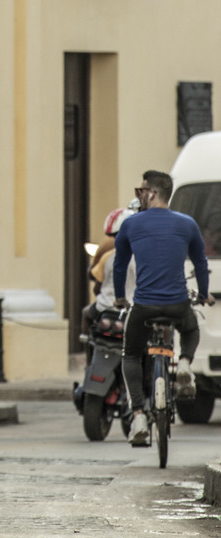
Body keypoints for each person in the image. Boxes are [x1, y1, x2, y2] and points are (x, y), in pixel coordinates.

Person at [113, 170, 215, 446]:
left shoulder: (131, 225)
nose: (139, 196)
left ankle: (138, 417)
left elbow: (119, 264)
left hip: (144, 306)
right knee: (191, 330)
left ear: (152, 193)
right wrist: (204, 293)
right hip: (177, 304)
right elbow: (200, 262)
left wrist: (121, 297)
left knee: (131, 355)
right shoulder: (187, 224)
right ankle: (183, 364)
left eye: (141, 191)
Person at [81, 206, 137, 341]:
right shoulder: (142, 257)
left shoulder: (108, 256)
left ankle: (86, 345)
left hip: (106, 307)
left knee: (86, 313)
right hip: (134, 309)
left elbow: (97, 286)